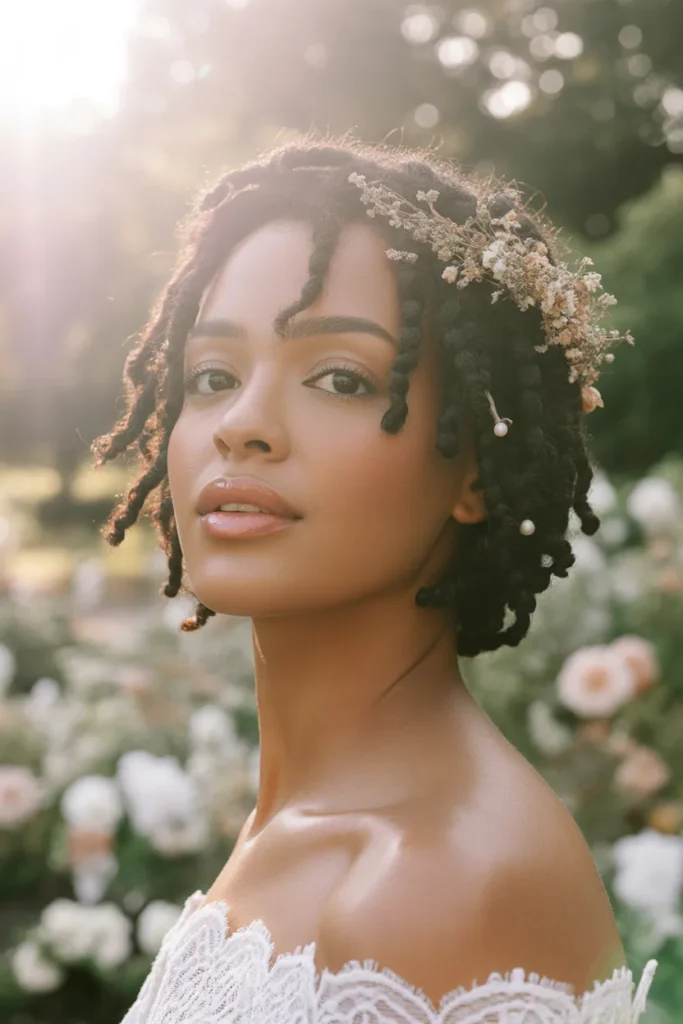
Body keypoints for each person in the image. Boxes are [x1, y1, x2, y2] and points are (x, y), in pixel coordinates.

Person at [93, 136, 657, 1022]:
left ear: (474, 468)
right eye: (213, 374)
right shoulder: (311, 822)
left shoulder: (438, 881)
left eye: (339, 378)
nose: (242, 423)